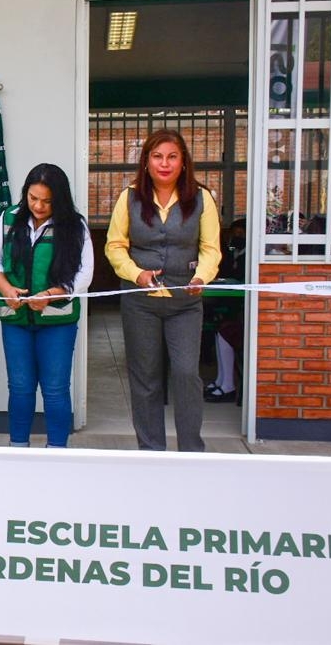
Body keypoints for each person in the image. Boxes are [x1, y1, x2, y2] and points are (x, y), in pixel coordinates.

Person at [105, 128, 221, 452]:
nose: (164, 163)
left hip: (186, 302)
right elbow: (115, 246)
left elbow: (211, 248)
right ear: (146, 162)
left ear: (183, 162)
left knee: (186, 374)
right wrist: (136, 274)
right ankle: (151, 453)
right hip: (139, 303)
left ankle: (191, 453)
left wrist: (201, 277)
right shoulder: (128, 197)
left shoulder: (202, 198)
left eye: (172, 156)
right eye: (157, 156)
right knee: (146, 380)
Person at [0, 164, 93, 448]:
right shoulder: (8, 219)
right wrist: (6, 288)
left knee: (55, 389)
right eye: (33, 198)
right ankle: (18, 447)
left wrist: (52, 294)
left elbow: (84, 274)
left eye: (47, 200)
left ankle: (57, 450)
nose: (39, 206)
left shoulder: (74, 225)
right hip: (15, 318)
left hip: (57, 321)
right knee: (19, 388)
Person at [204, 218, 246, 404]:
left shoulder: (248, 257)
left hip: (244, 312)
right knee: (220, 328)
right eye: (234, 234)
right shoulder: (234, 253)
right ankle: (222, 380)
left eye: (240, 234)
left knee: (226, 331)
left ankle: (228, 384)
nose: (236, 238)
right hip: (234, 306)